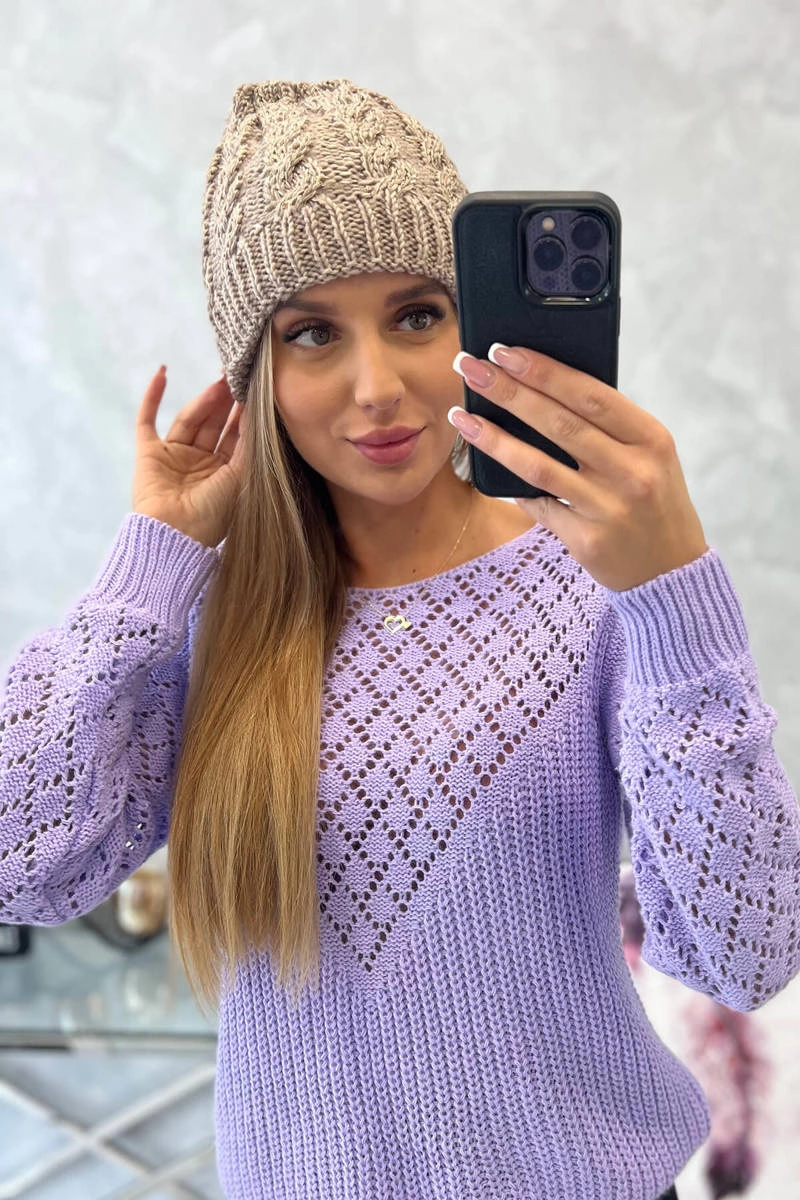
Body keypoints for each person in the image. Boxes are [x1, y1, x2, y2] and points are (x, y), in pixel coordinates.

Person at [1, 78, 798, 1200]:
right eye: (312, 333)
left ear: (476, 320)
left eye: (417, 315)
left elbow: (745, 949)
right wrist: (151, 559)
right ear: (255, 375)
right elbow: (22, 866)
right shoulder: (211, 619)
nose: (376, 388)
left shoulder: (595, 584)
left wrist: (673, 596)